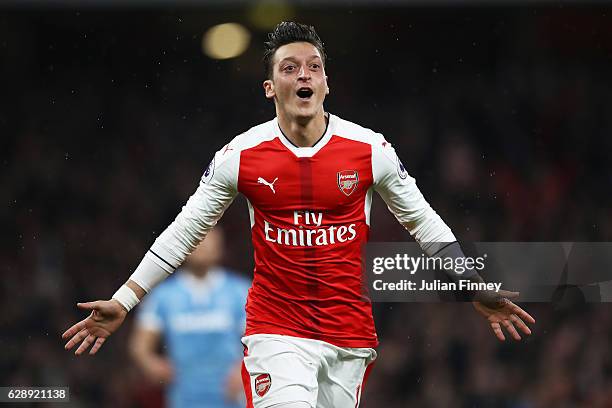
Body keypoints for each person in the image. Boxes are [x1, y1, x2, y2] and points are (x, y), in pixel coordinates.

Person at [63, 22, 535, 408]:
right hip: (275, 328)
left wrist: (474, 284)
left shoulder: (370, 150)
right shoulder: (241, 156)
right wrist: (124, 300)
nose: (303, 75)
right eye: (290, 68)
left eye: (314, 67)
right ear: (271, 87)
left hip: (349, 332)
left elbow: (424, 223)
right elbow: (184, 232)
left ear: (327, 82)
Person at [129, 227, 248, 408]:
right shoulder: (163, 295)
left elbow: (260, 342)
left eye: (210, 241)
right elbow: (139, 347)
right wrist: (153, 366)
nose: (203, 246)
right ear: (185, 246)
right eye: (199, 239)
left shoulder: (240, 291)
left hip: (231, 398)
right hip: (183, 397)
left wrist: (245, 370)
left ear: (220, 248)